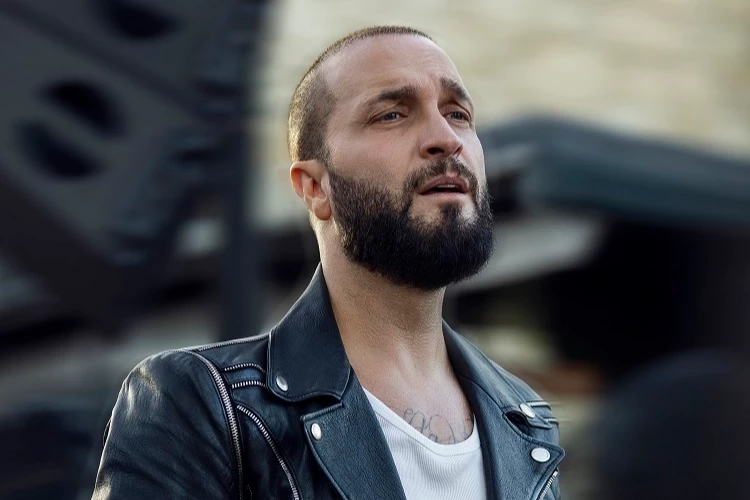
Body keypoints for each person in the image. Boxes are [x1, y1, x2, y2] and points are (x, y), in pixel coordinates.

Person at [92, 26, 564, 500]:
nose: (445, 138)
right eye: (392, 114)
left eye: (458, 114)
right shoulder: (203, 405)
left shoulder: (526, 422)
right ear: (315, 188)